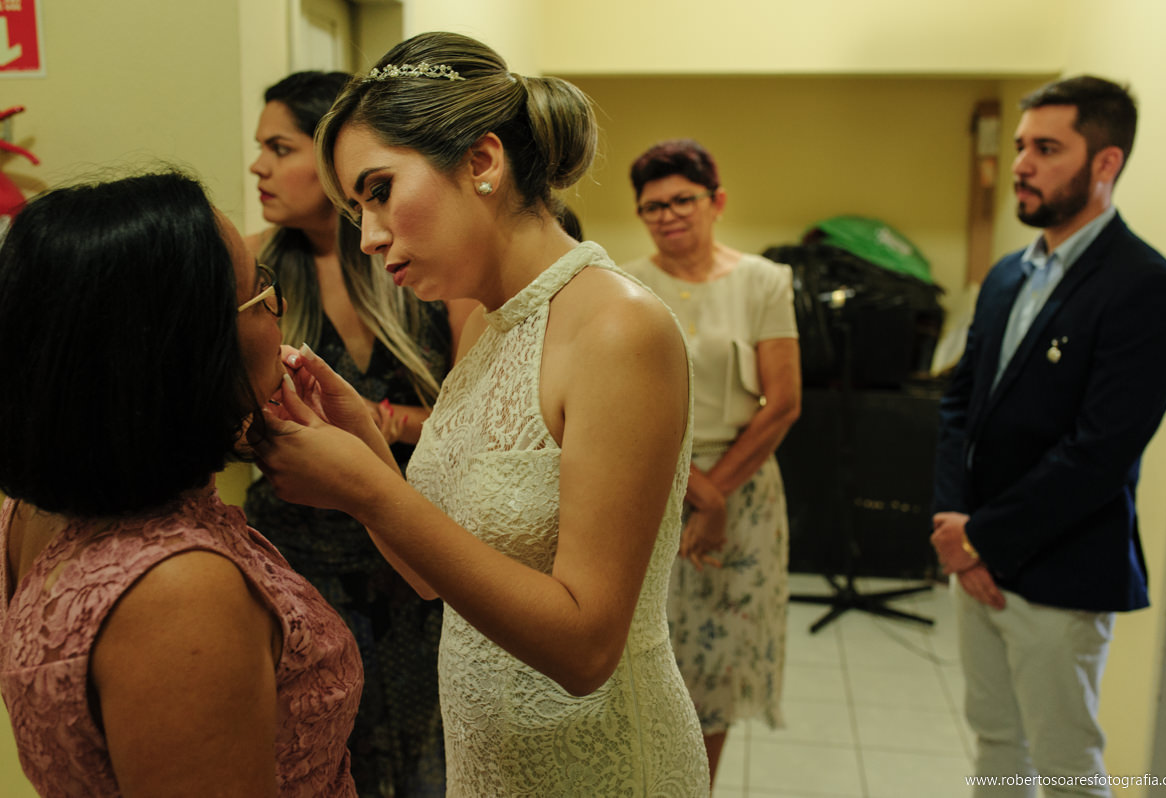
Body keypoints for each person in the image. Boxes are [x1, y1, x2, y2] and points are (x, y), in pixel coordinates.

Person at [251, 31, 709, 796]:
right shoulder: (489, 328)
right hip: (490, 763)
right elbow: (433, 577)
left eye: (379, 191)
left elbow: (586, 650)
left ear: (482, 161)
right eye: (356, 208)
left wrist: (371, 491)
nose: (368, 238)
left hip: (598, 763)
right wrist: (363, 442)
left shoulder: (616, 327)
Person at [0, 170, 363, 796]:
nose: (277, 311)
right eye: (262, 292)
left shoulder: (32, 509)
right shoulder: (180, 593)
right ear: (192, 351)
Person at [931, 75, 1166, 796]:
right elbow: (959, 405)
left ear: (1105, 162)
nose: (1021, 165)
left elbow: (1100, 452)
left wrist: (982, 537)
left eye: (1047, 149)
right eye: (1021, 146)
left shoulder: (1145, 287)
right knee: (995, 745)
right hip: (974, 562)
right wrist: (954, 524)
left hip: (1059, 574)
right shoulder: (1007, 276)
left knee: (1066, 768)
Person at [246, 70, 464, 797]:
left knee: (429, 755)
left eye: (280, 148)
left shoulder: (421, 263)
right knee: (326, 753)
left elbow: (479, 412)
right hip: (301, 554)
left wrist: (387, 421)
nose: (258, 167)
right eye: (260, 148)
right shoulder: (253, 271)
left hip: (414, 547)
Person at [622, 138, 802, 785]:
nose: (668, 215)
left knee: (719, 660)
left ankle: (697, 786)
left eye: (682, 200)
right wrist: (700, 495)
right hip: (648, 479)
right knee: (645, 650)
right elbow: (622, 405)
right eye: (653, 206)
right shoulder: (624, 285)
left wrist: (717, 494)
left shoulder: (764, 281)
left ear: (716, 202)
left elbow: (783, 403)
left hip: (745, 484)